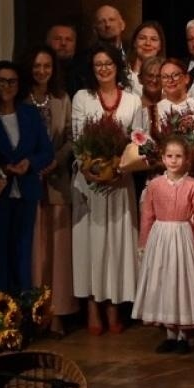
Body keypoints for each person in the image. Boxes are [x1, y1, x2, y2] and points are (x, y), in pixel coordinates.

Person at [71, 44, 145, 334]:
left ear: (117, 67)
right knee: (91, 244)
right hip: (88, 183)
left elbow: (139, 142)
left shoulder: (133, 101)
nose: (103, 69)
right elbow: (77, 139)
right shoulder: (82, 98)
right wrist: (90, 168)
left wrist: (119, 169)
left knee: (115, 245)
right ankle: (92, 306)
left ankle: (114, 305)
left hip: (119, 182)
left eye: (108, 64)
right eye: (97, 64)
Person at [0, 61, 54, 292]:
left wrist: (30, 163)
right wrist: (1, 169)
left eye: (12, 81)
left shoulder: (30, 113)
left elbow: (46, 151)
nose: (7, 86)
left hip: (26, 191)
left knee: (23, 253)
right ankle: (0, 312)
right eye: (1, 81)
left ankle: (22, 311)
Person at [132, 137, 194, 352]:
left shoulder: (193, 186)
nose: (174, 160)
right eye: (169, 156)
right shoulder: (154, 185)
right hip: (161, 238)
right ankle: (169, 334)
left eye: (178, 156)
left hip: (182, 237)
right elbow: (147, 215)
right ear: (163, 158)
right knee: (164, 281)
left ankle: (184, 334)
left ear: (186, 159)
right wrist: (143, 244)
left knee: (182, 283)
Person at [25, 46, 75, 331]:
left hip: (56, 182)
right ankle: (34, 313)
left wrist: (55, 161)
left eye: (46, 66)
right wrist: (33, 164)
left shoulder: (61, 98)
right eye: (36, 65)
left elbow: (70, 137)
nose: (41, 71)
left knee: (57, 252)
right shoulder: (20, 100)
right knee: (34, 251)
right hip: (27, 181)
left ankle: (57, 313)